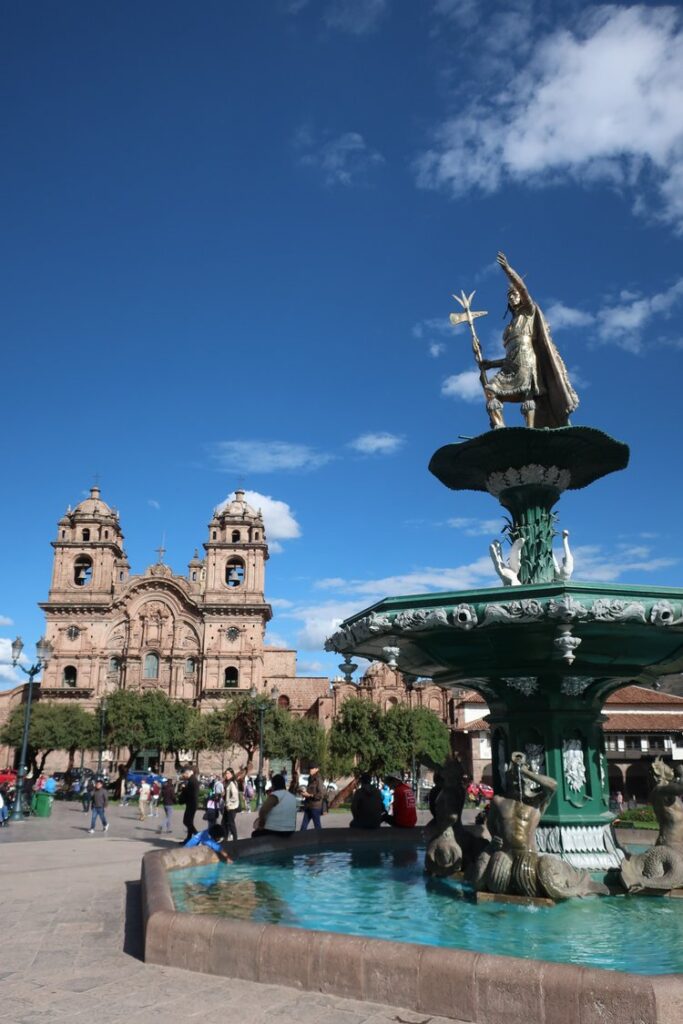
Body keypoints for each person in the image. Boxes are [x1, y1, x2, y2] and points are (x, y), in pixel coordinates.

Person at [478, 251, 579, 429]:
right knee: (490, 390)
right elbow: (510, 357)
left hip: (527, 361)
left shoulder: (529, 312)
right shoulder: (508, 329)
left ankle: (530, 428)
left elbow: (523, 289)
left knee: (527, 394)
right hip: (511, 365)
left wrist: (508, 270)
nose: (512, 297)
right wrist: (490, 364)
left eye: (514, 294)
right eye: (509, 296)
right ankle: (500, 427)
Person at [299, 765, 325, 831]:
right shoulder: (310, 778)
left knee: (317, 826)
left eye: (312, 768)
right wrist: (304, 792)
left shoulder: (318, 779)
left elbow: (321, 794)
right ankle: (300, 840)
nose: (310, 770)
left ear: (317, 769)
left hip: (315, 807)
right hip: (308, 806)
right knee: (303, 827)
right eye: (309, 768)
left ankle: (320, 840)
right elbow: (310, 791)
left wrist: (309, 795)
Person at [181, 764, 200, 843]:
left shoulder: (193, 781)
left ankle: (198, 836)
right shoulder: (191, 780)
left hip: (192, 803)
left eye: (184, 773)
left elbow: (192, 793)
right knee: (189, 822)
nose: (183, 775)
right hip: (191, 803)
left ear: (189, 772)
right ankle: (189, 838)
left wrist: (184, 788)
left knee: (187, 821)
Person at [222, 768, 239, 842]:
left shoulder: (232, 783)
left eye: (228, 773)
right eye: (226, 773)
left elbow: (235, 796)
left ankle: (235, 839)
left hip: (231, 807)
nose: (226, 775)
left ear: (232, 774)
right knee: (224, 822)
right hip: (228, 806)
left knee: (230, 823)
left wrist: (228, 803)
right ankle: (225, 838)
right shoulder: (228, 782)